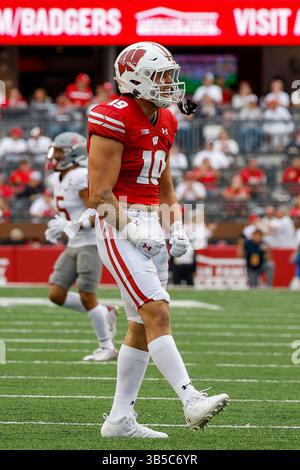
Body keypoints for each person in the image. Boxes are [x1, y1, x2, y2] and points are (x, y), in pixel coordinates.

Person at [82, 41, 229, 438]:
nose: (170, 83)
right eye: (162, 75)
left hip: (153, 224)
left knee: (139, 325)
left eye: (170, 74)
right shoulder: (112, 117)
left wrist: (176, 226)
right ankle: (190, 398)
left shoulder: (166, 119)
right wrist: (133, 230)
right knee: (158, 311)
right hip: (119, 224)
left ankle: (118, 420)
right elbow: (98, 195)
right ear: (135, 79)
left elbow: (165, 188)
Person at [45, 132, 118, 362]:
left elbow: (99, 212)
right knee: (56, 294)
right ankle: (104, 311)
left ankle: (107, 346)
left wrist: (69, 226)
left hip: (90, 243)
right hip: (74, 244)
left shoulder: (79, 176)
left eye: (59, 152)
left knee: (87, 296)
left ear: (72, 154)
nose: (54, 156)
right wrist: (62, 230)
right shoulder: (60, 177)